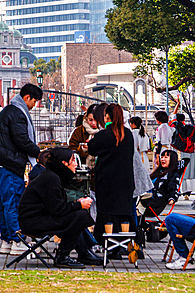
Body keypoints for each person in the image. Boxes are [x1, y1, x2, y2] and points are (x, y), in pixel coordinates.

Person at [18, 147, 99, 268]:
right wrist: (79, 204)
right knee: (79, 216)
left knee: (78, 215)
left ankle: (83, 251)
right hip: (34, 223)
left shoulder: (53, 176)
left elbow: (57, 207)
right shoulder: (51, 179)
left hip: (38, 218)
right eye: (73, 160)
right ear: (64, 163)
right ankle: (63, 256)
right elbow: (58, 210)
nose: (76, 164)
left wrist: (77, 204)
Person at [0, 83, 43, 256]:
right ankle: (17, 240)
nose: (35, 105)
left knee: (3, 202)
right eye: (35, 101)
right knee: (13, 201)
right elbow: (22, 140)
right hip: (9, 163)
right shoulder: (18, 113)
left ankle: (7, 239)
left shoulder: (9, 111)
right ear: (27, 98)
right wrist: (39, 154)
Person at [87, 103, 135, 245]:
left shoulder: (104, 134)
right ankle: (125, 243)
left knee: (106, 213)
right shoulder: (128, 135)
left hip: (107, 180)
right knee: (123, 213)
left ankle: (106, 242)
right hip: (125, 180)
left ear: (107, 116)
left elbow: (92, 149)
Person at [140, 149, 183, 217]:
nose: (162, 159)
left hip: (153, 204)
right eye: (162, 157)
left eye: (166, 157)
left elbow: (173, 187)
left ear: (172, 160)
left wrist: (172, 198)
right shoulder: (158, 172)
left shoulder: (172, 175)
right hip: (145, 199)